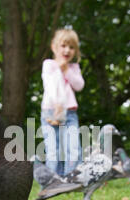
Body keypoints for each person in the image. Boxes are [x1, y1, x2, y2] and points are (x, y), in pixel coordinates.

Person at [40, 29, 85, 177]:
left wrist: (66, 70)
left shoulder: (73, 68)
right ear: (54, 47)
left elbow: (79, 85)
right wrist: (57, 104)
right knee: (53, 149)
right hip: (51, 112)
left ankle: (72, 179)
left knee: (72, 147)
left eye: (71, 47)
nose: (67, 50)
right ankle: (53, 181)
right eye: (63, 46)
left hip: (70, 114)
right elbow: (50, 86)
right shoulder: (49, 65)